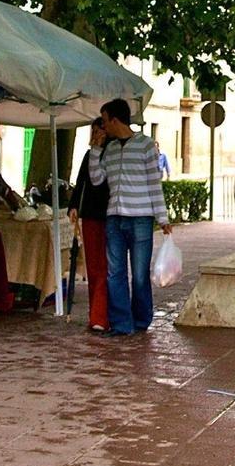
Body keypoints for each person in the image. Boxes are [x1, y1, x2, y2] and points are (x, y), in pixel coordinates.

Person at [88, 98, 171, 336]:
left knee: (140, 274)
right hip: (114, 217)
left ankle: (142, 320)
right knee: (116, 273)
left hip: (141, 218)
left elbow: (154, 183)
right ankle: (122, 324)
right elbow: (96, 179)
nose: (103, 126)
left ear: (115, 120)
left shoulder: (145, 145)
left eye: (104, 121)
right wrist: (96, 149)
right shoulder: (110, 149)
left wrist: (162, 217)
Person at [68, 118, 110, 333]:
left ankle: (102, 315)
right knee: (93, 266)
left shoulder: (112, 154)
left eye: (99, 130)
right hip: (91, 215)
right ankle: (96, 313)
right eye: (93, 130)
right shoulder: (89, 154)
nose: (95, 135)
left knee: (105, 267)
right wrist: (74, 205)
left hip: (110, 215)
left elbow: (99, 180)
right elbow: (81, 180)